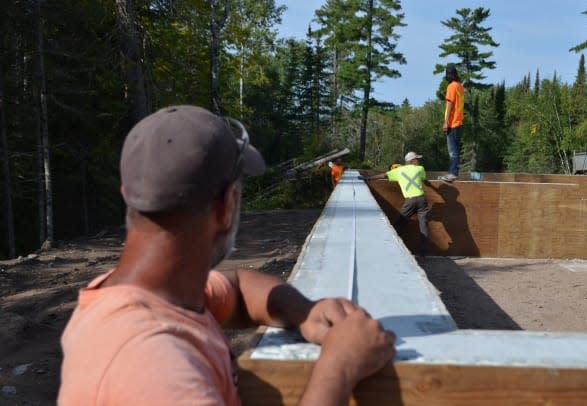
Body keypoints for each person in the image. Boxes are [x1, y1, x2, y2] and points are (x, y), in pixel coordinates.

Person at [58, 105, 395, 405]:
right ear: (226, 206)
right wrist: (339, 368)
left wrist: (305, 312)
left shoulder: (163, 295)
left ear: (128, 196)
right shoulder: (151, 367)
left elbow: (239, 287)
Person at [365, 151, 433, 256]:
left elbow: (384, 175)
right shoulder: (420, 169)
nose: (419, 161)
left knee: (400, 224)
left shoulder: (399, 171)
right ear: (412, 161)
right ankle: (424, 253)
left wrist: (369, 178)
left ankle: (391, 247)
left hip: (410, 201)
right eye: (417, 159)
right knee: (423, 226)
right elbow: (424, 179)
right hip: (421, 200)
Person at [439, 64, 465, 183]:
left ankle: (453, 173)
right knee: (456, 149)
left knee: (452, 150)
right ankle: (452, 172)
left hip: (453, 123)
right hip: (459, 122)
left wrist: (446, 122)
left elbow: (449, 105)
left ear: (449, 76)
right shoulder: (460, 86)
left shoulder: (451, 87)